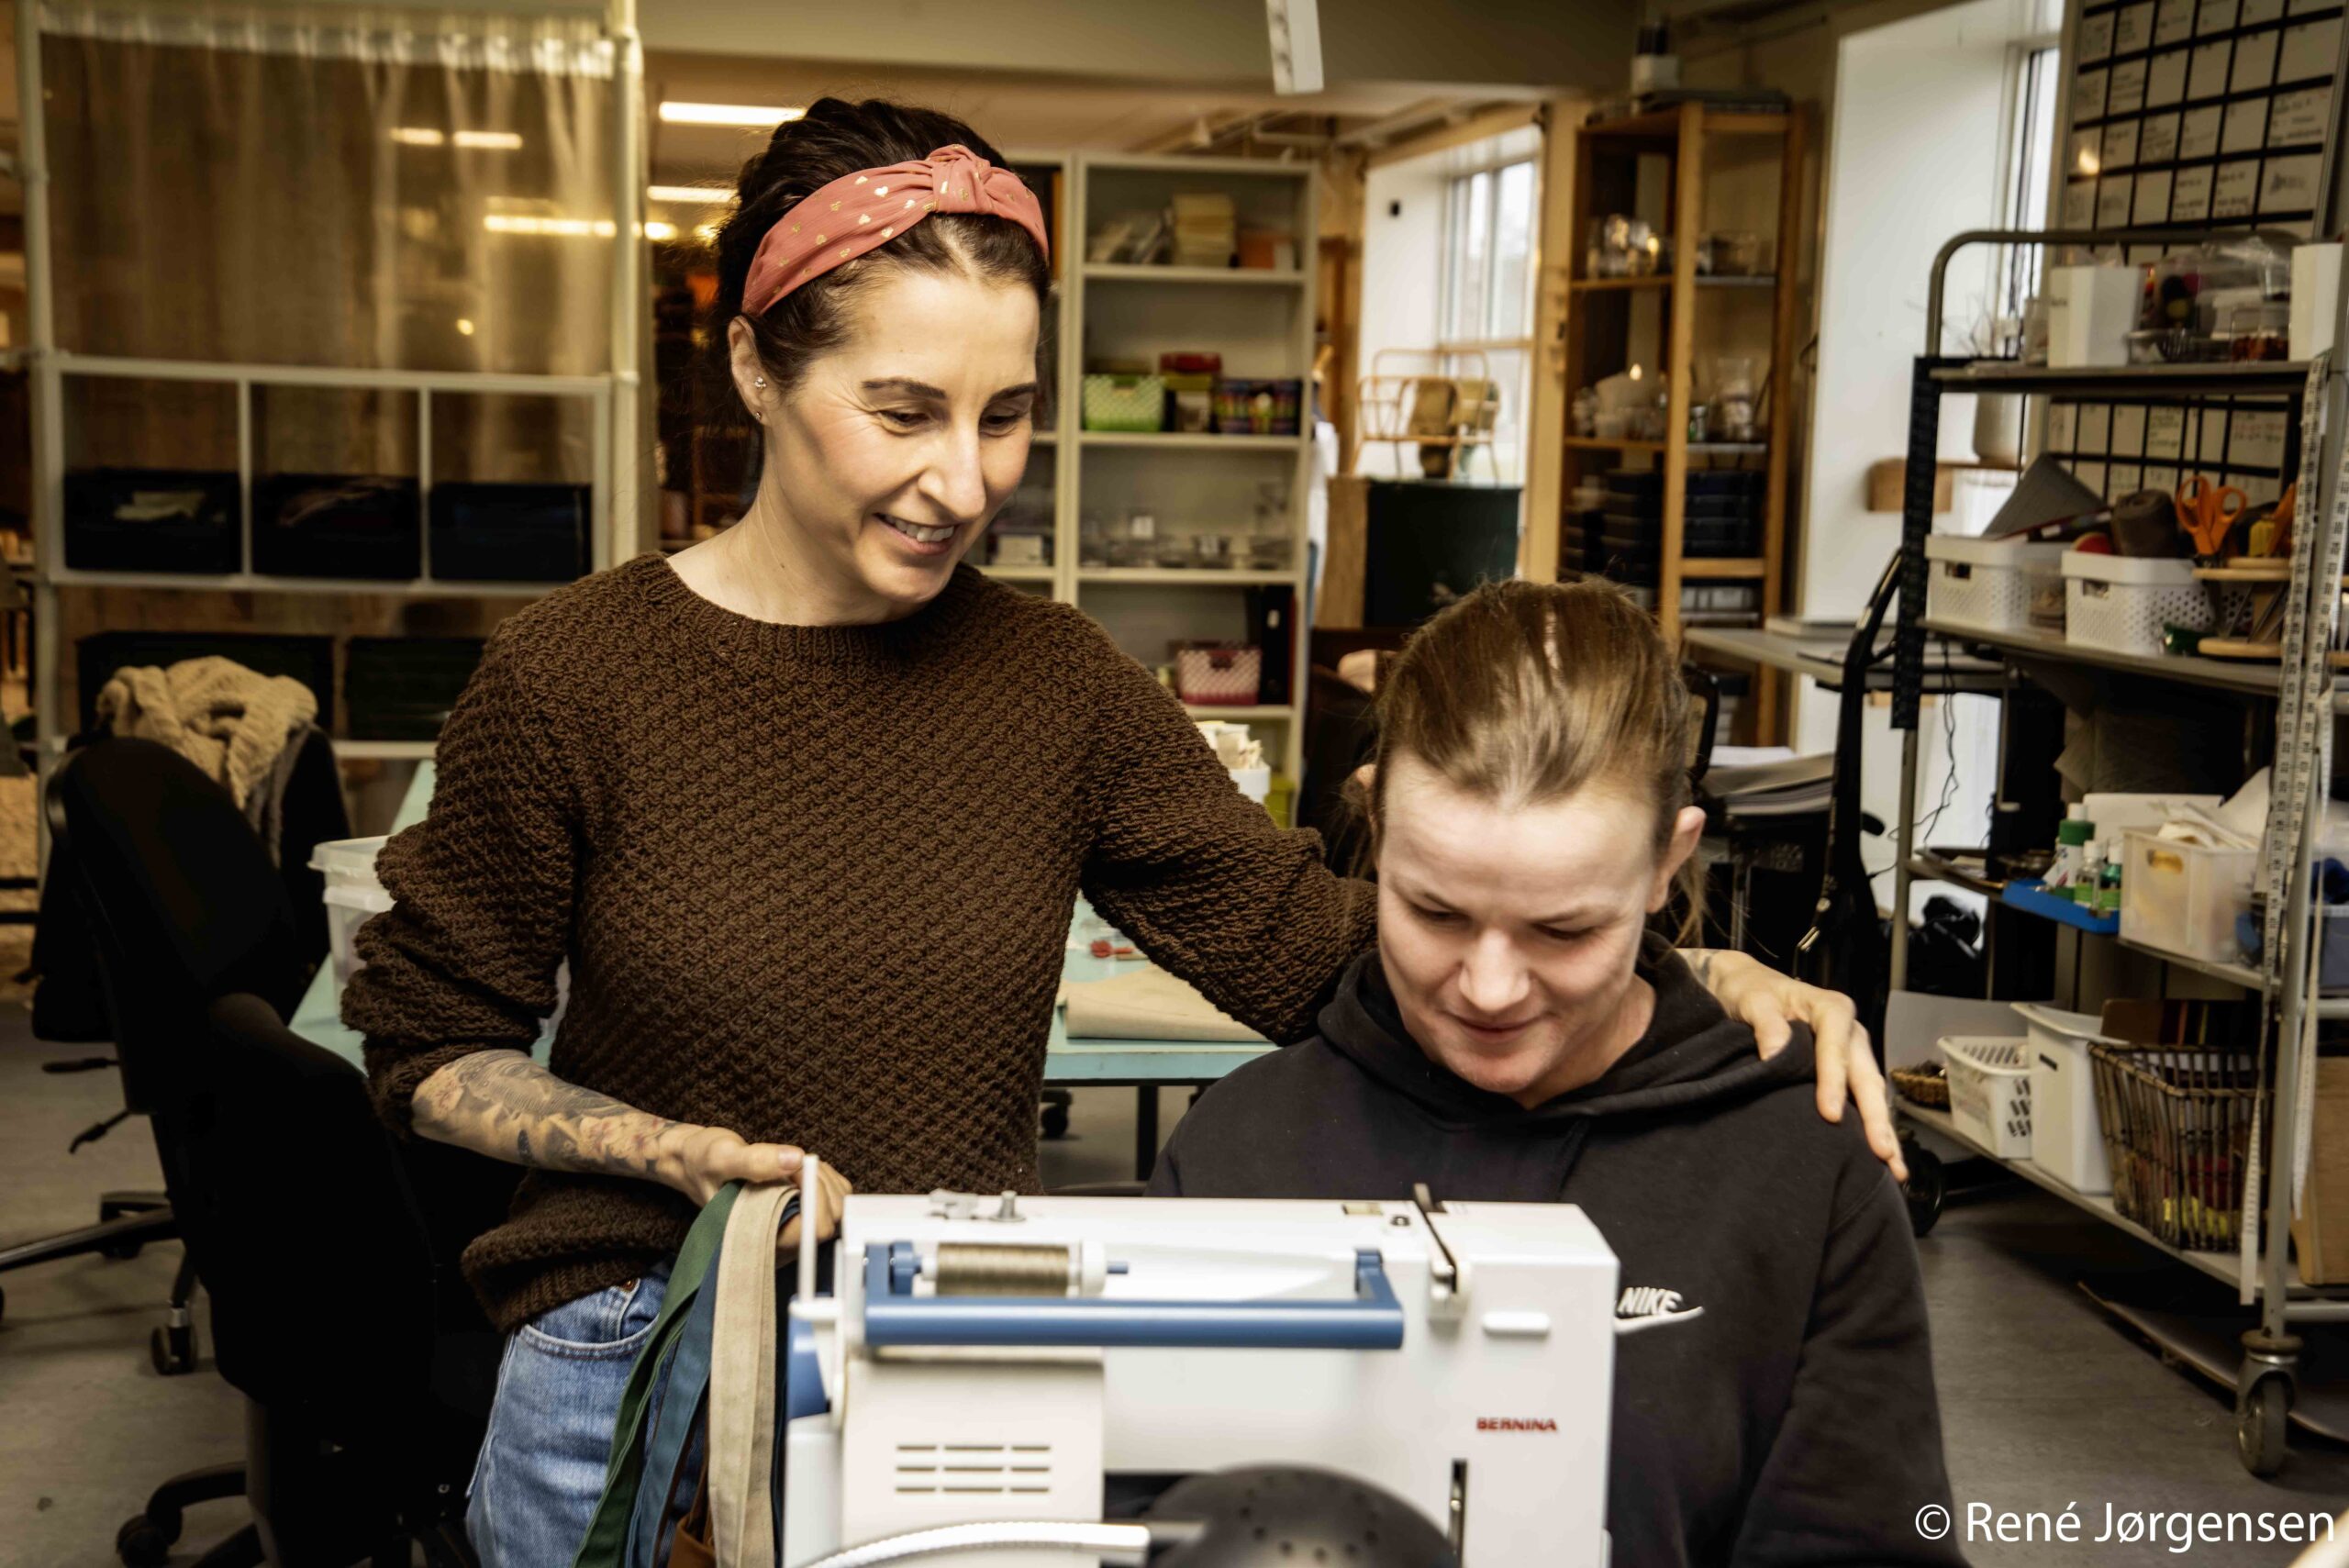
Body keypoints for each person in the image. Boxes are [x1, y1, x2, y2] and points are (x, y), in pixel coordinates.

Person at [343, 99, 1898, 1568]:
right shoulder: (575, 676)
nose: (964, 481)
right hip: (634, 1370)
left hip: (938, 1358)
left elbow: (1316, 949)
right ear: (756, 368)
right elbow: (427, 1044)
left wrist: (1671, 978)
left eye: (1007, 414)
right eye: (903, 410)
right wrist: (662, 1150)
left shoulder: (1055, 686)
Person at [1151, 577, 1959, 1567]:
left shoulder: (1803, 1168)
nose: (1489, 989)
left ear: (1667, 861)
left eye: (1565, 929)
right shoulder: (1238, 1149)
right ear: (1375, 822)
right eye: (1435, 912)